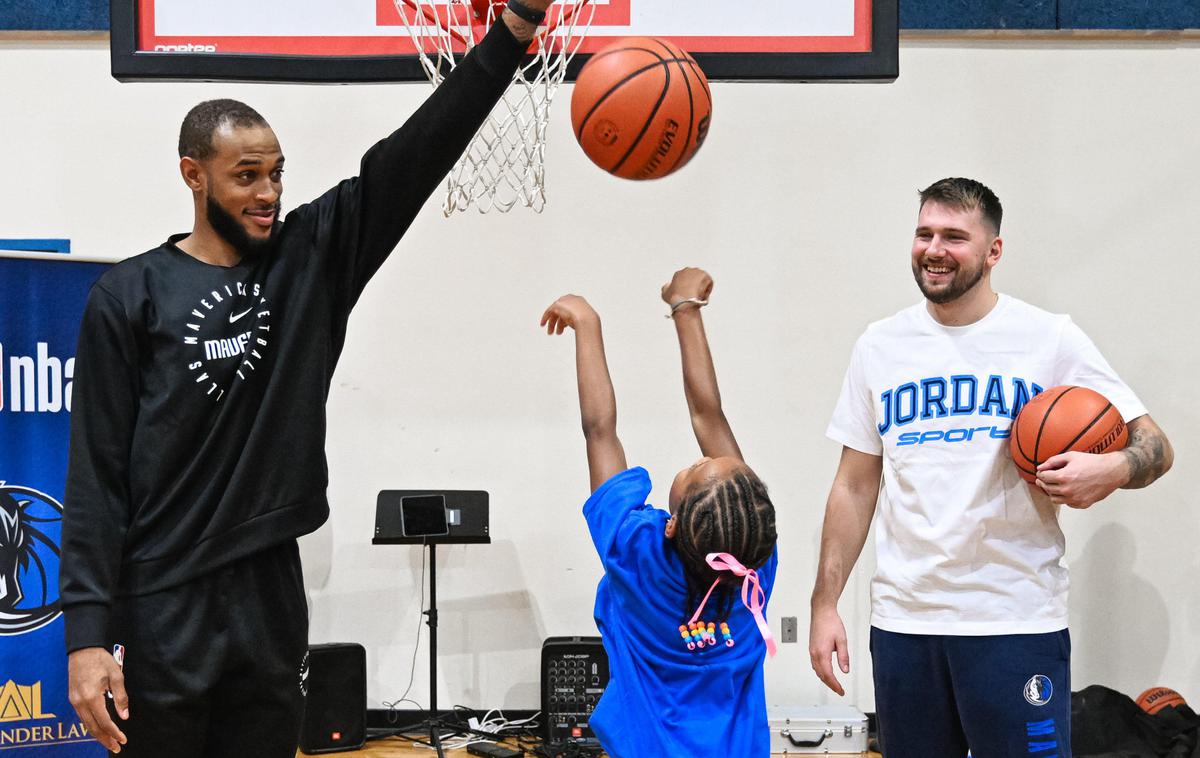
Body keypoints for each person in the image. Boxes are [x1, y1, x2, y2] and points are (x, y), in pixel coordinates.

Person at [59, 3, 555, 755]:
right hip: (163, 603)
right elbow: (96, 477)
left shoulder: (309, 262)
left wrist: (511, 33)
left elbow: (412, 157)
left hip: (268, 595)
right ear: (194, 175)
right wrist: (86, 637)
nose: (267, 193)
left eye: (276, 173)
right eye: (245, 176)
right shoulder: (129, 296)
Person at [808, 177, 1174, 757]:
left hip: (1014, 618)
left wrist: (1111, 470)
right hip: (906, 623)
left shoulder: (1048, 338)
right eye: (924, 233)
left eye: (955, 236)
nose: (934, 248)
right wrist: (825, 603)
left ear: (993, 251)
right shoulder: (879, 346)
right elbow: (854, 487)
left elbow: (1155, 446)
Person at [539, 267, 779, 757]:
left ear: (672, 525)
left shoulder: (635, 553)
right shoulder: (755, 564)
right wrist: (685, 308)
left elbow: (599, 431)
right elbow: (709, 416)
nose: (701, 456)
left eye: (696, 468)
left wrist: (588, 324)